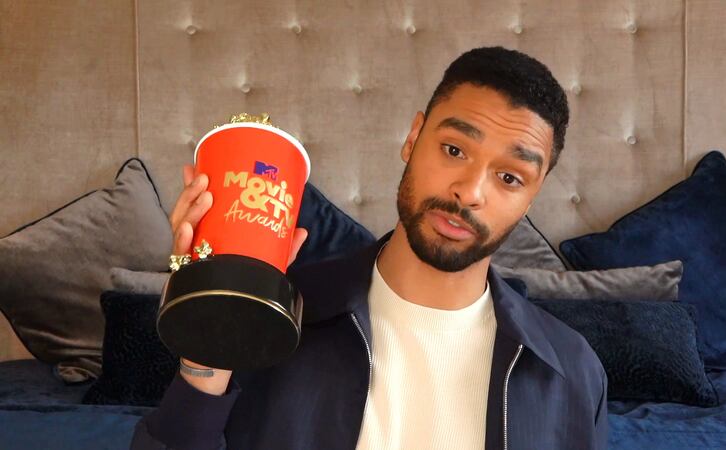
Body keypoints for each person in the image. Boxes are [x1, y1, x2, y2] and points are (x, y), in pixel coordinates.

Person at [131, 46, 608, 450]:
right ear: (413, 137)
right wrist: (209, 325)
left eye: (509, 177)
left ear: (534, 192)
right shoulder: (277, 314)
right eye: (454, 150)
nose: (471, 192)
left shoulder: (572, 371)